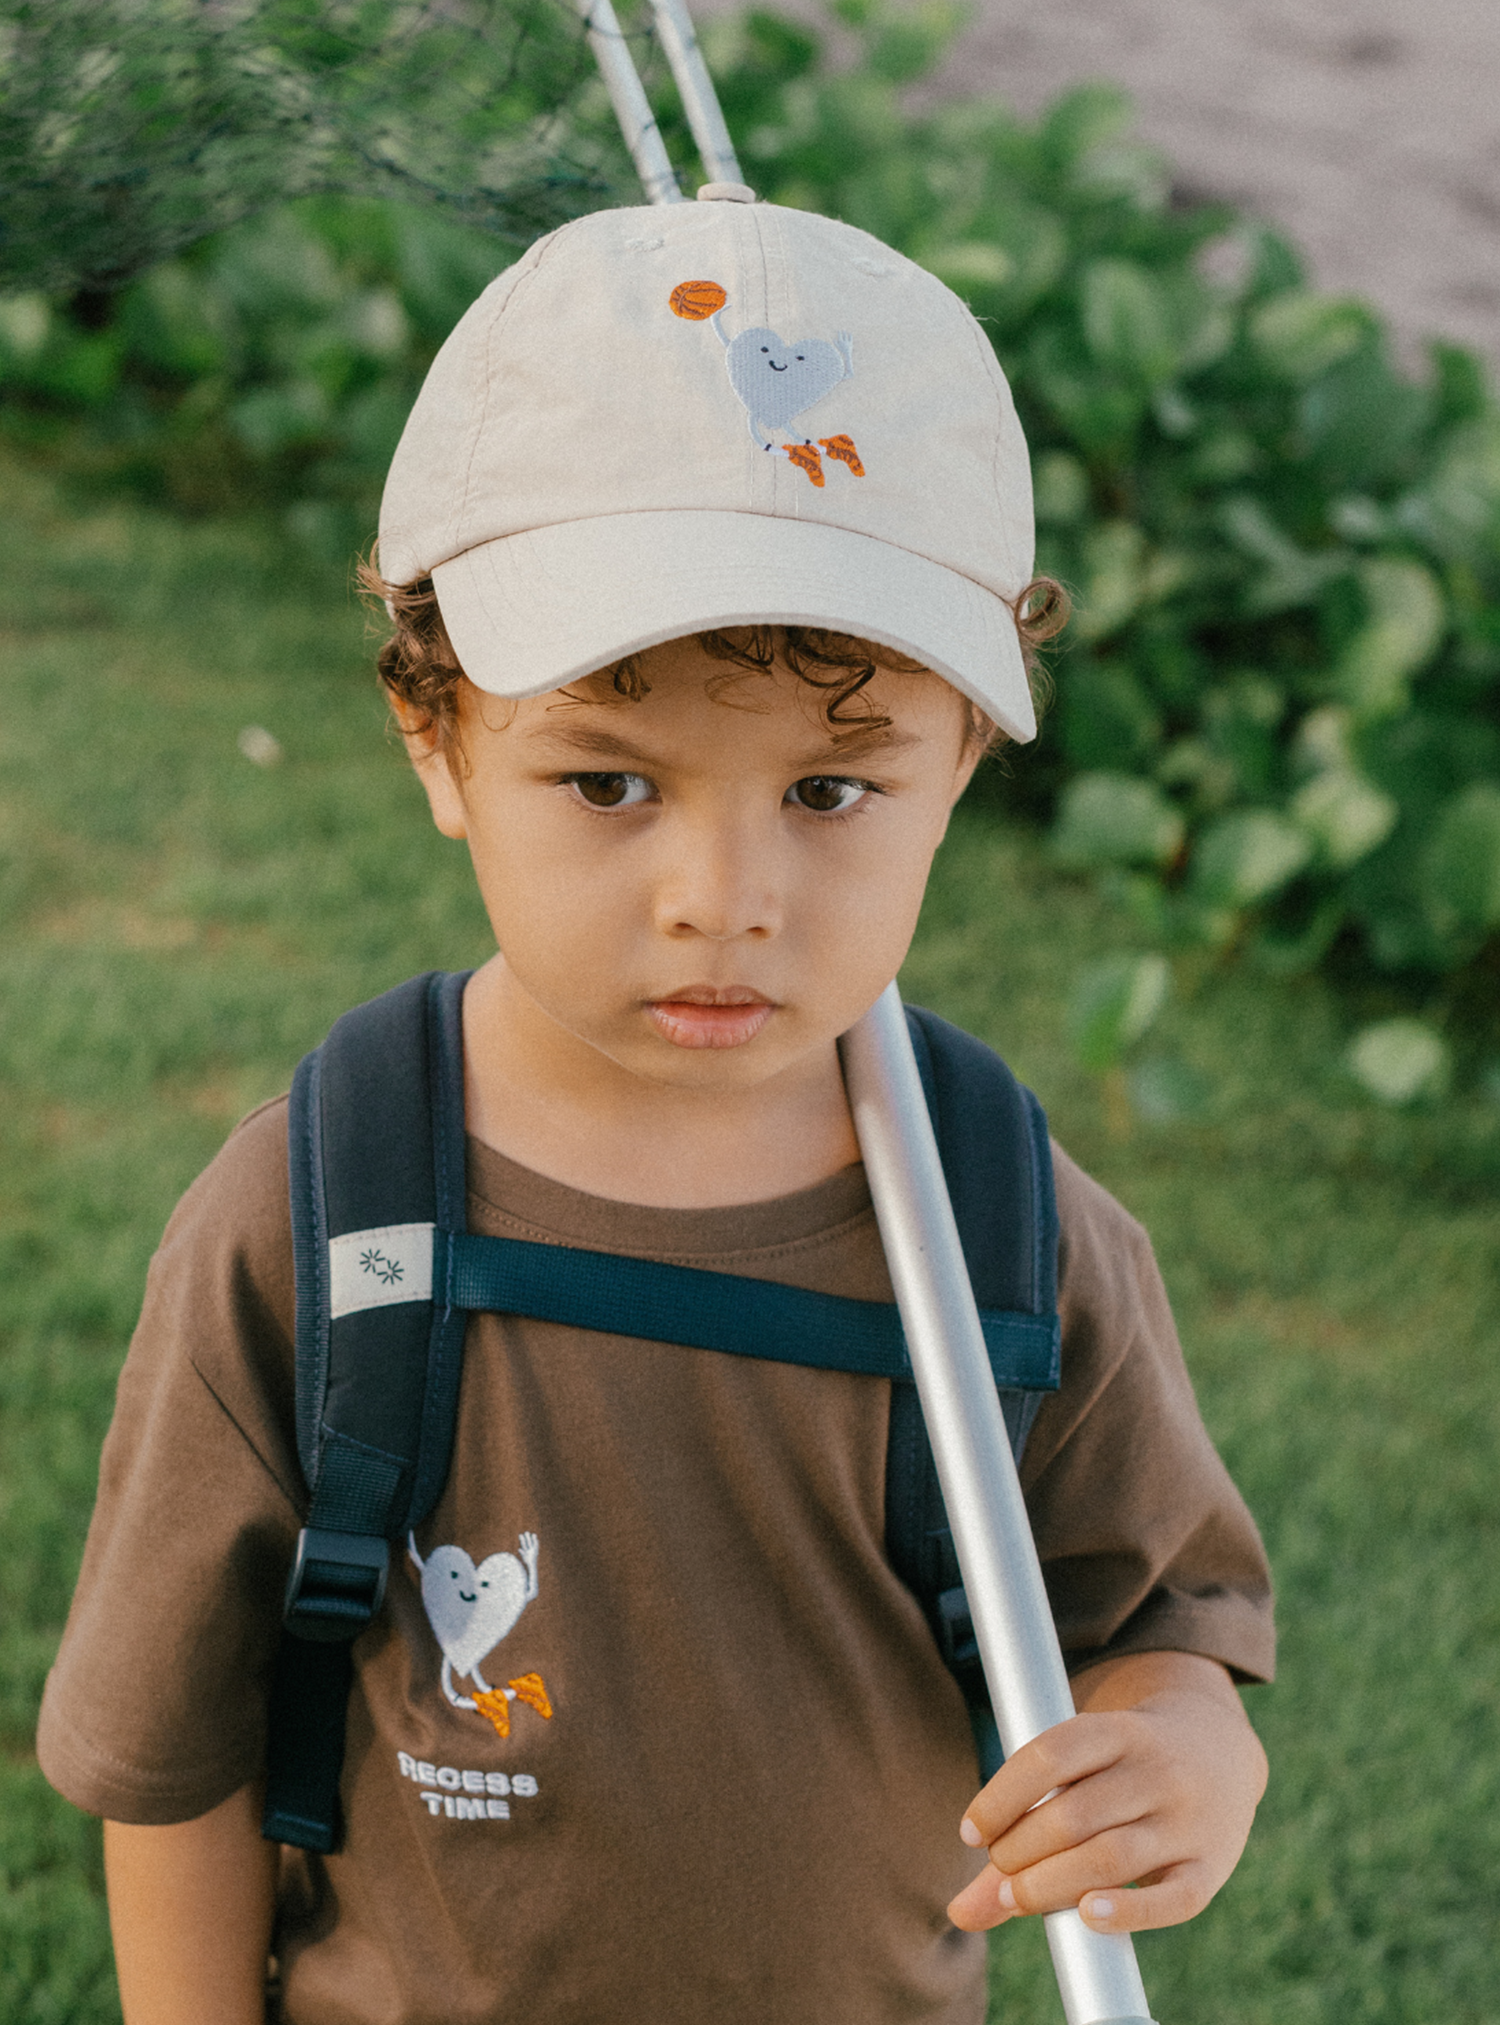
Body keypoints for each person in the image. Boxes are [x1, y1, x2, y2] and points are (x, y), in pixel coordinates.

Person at [38, 188, 1272, 2025]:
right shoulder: (318, 1225)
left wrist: (1182, 1750)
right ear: (435, 737)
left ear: (962, 763)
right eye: (611, 782)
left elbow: (1161, 1621)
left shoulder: (1009, 1234)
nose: (724, 898)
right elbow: (174, 1758)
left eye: (832, 793)